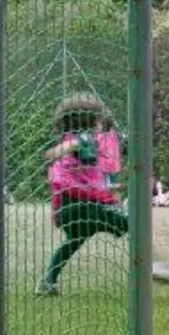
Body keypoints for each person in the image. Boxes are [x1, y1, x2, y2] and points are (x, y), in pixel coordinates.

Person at [36, 94, 127, 295]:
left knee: (74, 241)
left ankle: (47, 281)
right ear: (86, 121)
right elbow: (52, 155)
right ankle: (152, 266)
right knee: (133, 224)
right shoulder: (78, 140)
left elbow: (88, 177)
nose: (100, 124)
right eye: (98, 120)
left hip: (73, 207)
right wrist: (73, 144)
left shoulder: (90, 143)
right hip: (81, 205)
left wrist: (110, 192)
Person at [98, 114, 123, 190]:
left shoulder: (99, 136)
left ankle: (107, 193)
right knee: (113, 185)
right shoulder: (114, 134)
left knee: (105, 186)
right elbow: (118, 130)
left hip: (104, 166)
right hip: (115, 165)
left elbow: (99, 149)